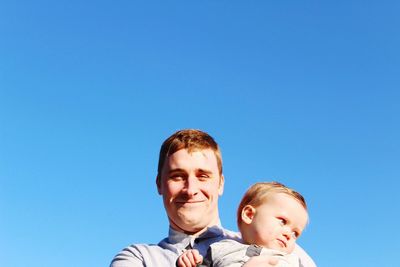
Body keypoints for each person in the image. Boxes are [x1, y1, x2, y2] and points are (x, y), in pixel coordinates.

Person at [110, 129, 316, 267]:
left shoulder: (277, 242)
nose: (191, 189)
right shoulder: (138, 258)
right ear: (159, 184)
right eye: (177, 176)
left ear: (221, 184)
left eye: (203, 176)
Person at [177, 182, 309, 267]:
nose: (288, 234)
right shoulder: (220, 250)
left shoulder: (292, 261)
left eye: (295, 233)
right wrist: (190, 262)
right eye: (282, 221)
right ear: (249, 215)